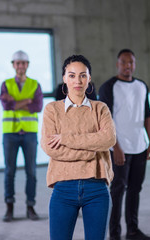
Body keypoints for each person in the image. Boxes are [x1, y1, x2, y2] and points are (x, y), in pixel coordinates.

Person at [41, 55, 116, 240]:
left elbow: (109, 139)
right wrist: (92, 149)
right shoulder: (52, 110)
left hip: (96, 187)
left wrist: (65, 138)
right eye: (72, 75)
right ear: (64, 78)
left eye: (83, 75)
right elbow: (51, 148)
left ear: (89, 78)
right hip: (63, 188)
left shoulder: (101, 109)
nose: (77, 80)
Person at [99, 49, 150, 240]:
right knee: (117, 191)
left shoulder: (141, 86)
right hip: (119, 148)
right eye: (124, 62)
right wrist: (116, 148)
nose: (127, 66)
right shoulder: (109, 87)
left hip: (140, 146)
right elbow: (105, 121)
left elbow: (147, 115)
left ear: (134, 64)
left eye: (131, 62)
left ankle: (132, 230)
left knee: (135, 189)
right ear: (117, 64)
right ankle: (114, 234)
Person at [0, 50, 43, 222]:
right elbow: (6, 105)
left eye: (23, 63)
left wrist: (16, 102)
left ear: (27, 65)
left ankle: (30, 207)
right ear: (13, 65)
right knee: (9, 172)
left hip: (29, 133)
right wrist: (27, 101)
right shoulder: (6, 84)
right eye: (17, 63)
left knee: (31, 172)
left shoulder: (35, 84)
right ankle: (9, 208)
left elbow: (38, 106)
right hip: (10, 132)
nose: (20, 66)